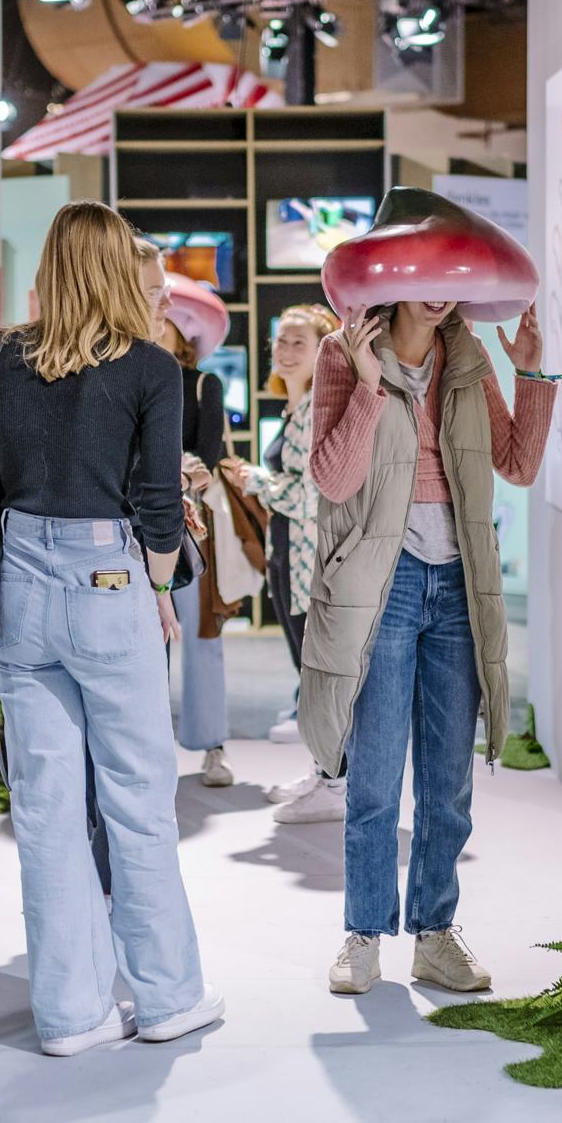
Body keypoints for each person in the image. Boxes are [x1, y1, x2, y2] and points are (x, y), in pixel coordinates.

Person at [0, 200, 223, 1055]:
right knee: (137, 800)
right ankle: (168, 997)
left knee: (45, 808)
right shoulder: (151, 367)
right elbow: (158, 507)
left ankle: (72, 1016)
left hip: (25, 587)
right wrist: (159, 588)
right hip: (110, 580)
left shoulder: (5, 355)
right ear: (116, 273)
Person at [295, 297, 559, 995]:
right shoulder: (343, 350)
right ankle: (364, 933)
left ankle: (435, 933)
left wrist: (530, 374)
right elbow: (333, 478)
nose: (436, 292)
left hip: (459, 579)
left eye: (448, 277)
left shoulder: (467, 354)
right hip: (385, 580)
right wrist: (367, 385)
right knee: (375, 776)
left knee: (448, 782)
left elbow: (518, 464)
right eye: (424, 275)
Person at [231, 303, 338, 815]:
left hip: (310, 559)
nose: (286, 351)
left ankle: (336, 783)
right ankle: (324, 774)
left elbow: (314, 496)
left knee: (320, 675)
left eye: (300, 342)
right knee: (307, 672)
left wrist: (256, 480)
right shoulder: (295, 409)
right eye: (281, 340)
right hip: (288, 555)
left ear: (322, 351)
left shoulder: (318, 410)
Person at [142, 248, 235, 788]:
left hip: (192, 526)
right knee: (146, 640)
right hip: (138, 524)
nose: (160, 322)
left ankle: (212, 744)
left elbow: (209, 455)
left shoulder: (203, 386)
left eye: (169, 315)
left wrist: (184, 470)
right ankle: (149, 748)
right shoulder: (130, 379)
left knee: (201, 636)